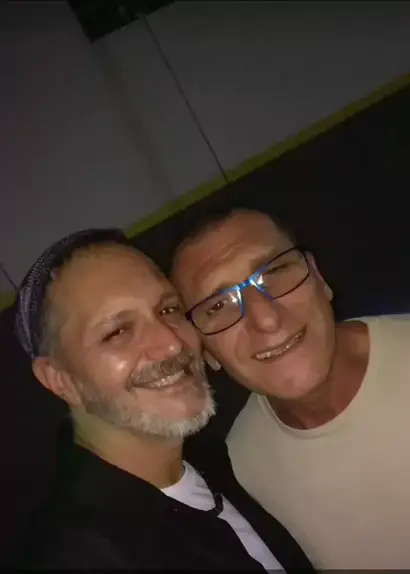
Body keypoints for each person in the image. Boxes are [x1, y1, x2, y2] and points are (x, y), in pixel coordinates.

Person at [14, 228, 313, 571]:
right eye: (117, 332)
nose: (171, 344)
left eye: (169, 310)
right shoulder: (80, 555)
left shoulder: (212, 459)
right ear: (60, 380)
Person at [172, 206, 410, 570]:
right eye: (219, 305)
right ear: (206, 352)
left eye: (274, 272)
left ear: (318, 277)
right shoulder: (242, 477)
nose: (266, 318)